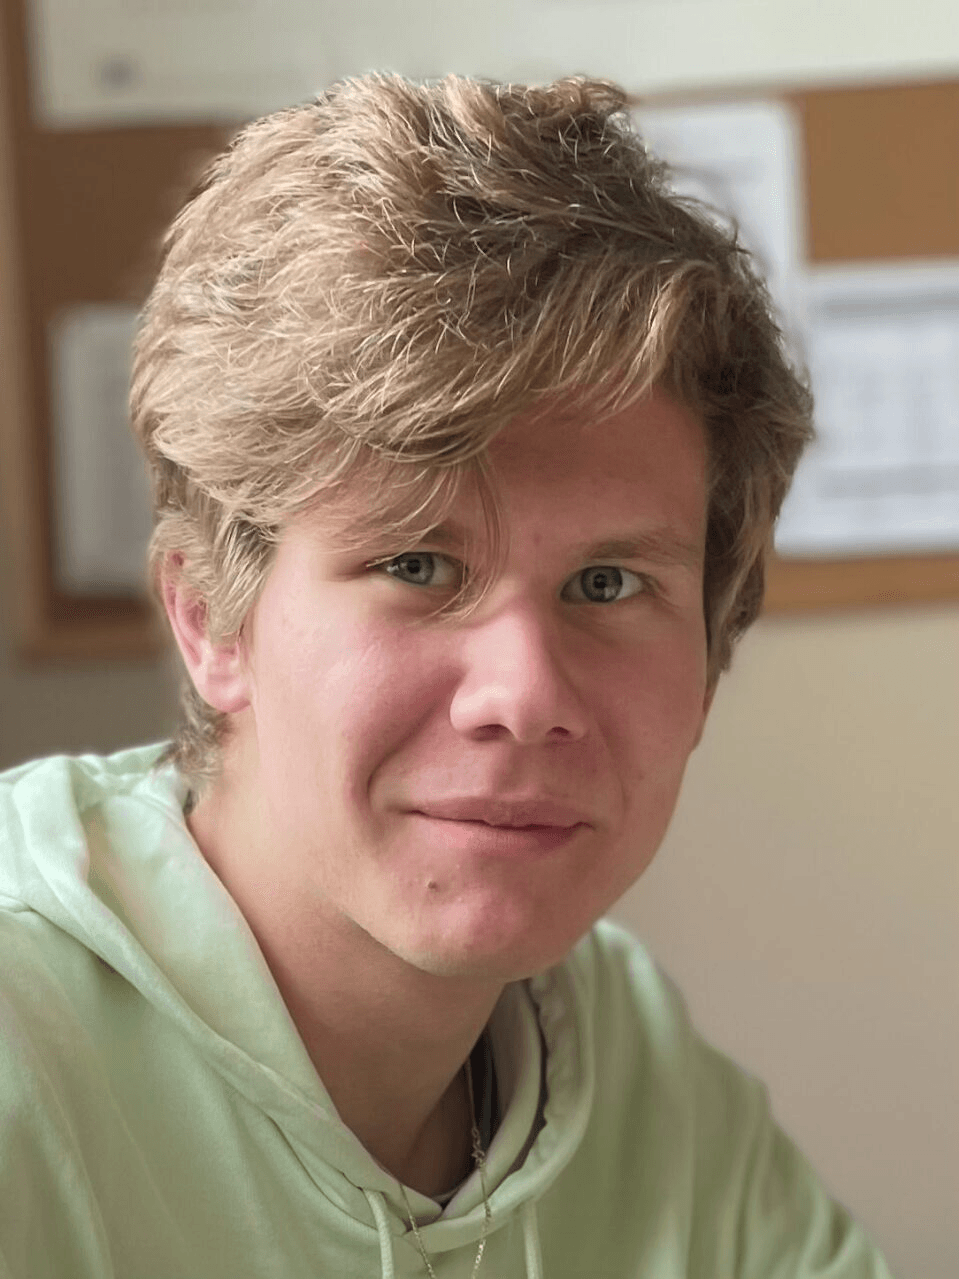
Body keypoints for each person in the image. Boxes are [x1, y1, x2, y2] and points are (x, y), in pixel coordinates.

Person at [0, 73, 893, 1278]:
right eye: (416, 565)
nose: (523, 696)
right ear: (209, 619)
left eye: (606, 583)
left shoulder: (612, 1045)